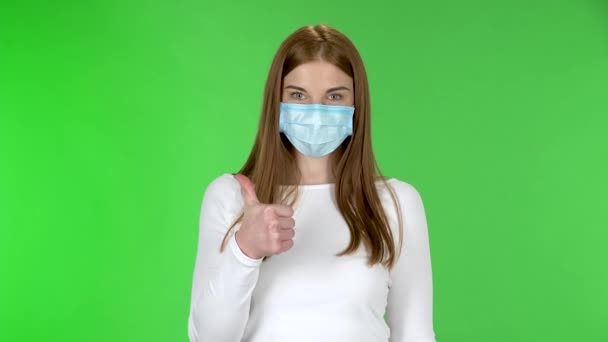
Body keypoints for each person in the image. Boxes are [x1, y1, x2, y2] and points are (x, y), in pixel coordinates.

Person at [187, 24, 437, 342]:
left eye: (334, 96)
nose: (316, 112)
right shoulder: (231, 197)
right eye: (298, 95)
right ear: (276, 102)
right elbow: (208, 338)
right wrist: (245, 249)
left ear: (356, 105)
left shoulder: (396, 203)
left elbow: (414, 334)